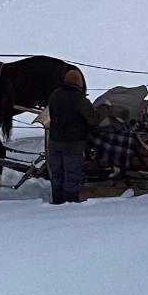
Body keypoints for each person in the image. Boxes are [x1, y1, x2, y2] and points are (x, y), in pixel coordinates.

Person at [47, 68, 99, 204]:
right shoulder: (80, 100)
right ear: (80, 83)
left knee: (57, 174)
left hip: (54, 142)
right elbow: (92, 120)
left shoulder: (54, 94)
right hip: (74, 145)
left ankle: (56, 201)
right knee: (72, 176)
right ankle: (69, 205)